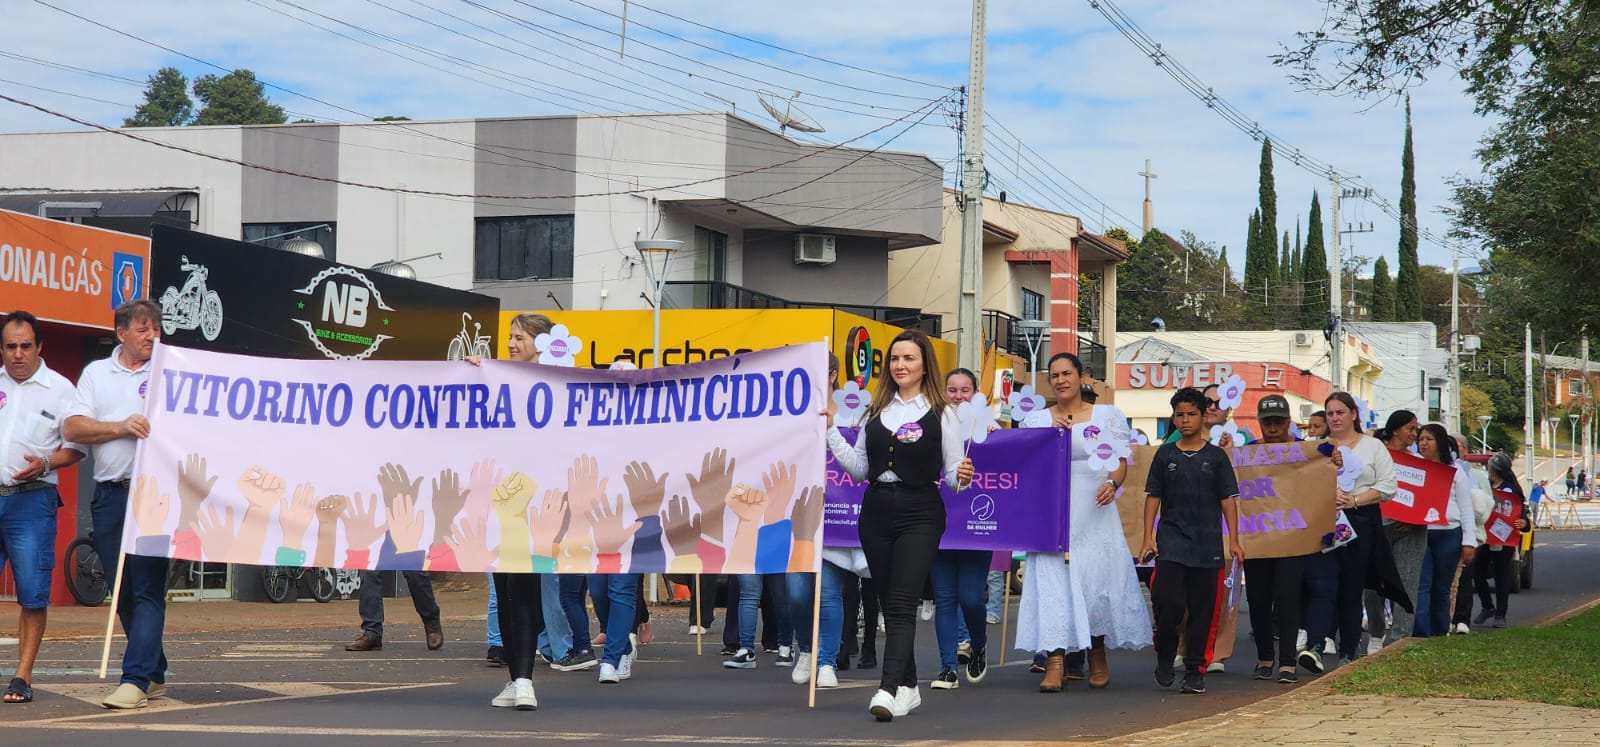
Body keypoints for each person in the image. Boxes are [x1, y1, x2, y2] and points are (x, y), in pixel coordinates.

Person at [826, 329, 974, 722]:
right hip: (876, 510)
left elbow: (954, 477)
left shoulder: (943, 412)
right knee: (890, 600)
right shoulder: (875, 411)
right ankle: (909, 686)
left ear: (925, 364)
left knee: (903, 600)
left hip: (920, 509)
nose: (900, 365)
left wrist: (964, 474)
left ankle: (889, 688)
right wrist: (830, 434)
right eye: (894, 359)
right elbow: (860, 469)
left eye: (908, 358)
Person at [1015, 353, 1150, 692]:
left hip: (1094, 510)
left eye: (1066, 374)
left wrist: (1112, 483)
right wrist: (1050, 441)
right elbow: (1024, 465)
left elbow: (1120, 462)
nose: (1060, 380)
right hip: (1051, 513)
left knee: (1094, 581)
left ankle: (1097, 653)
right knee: (1052, 583)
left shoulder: (1107, 415)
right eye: (1054, 375)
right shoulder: (1037, 420)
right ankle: (1055, 662)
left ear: (1081, 377)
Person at [63, 299, 167, 709]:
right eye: (143, 329)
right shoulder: (95, 374)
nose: (152, 337)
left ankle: (135, 679)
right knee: (120, 588)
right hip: (110, 494)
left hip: (155, 495)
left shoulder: (170, 370)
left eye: (156, 329)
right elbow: (73, 426)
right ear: (121, 333)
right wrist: (120, 426)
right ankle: (155, 670)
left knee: (147, 588)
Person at [0, 311, 86, 704]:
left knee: (33, 594)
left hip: (33, 501)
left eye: (25, 346)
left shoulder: (62, 389)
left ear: (39, 347)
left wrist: (48, 463)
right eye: (10, 346)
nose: (18, 354)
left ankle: (21, 676)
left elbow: (77, 448)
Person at [1140, 387, 1244, 695]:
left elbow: (1228, 499)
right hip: (1171, 542)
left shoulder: (1215, 457)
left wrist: (1234, 540)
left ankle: (1196, 670)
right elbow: (1153, 496)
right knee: (1167, 601)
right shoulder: (1165, 455)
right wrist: (1147, 536)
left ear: (1203, 416)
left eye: (1191, 414)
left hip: (1207, 546)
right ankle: (1165, 653)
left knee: (1203, 610)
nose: (1185, 420)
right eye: (1179, 415)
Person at [1298, 392, 1404, 673]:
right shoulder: (1316, 447)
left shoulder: (1372, 447)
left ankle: (1348, 651)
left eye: (1340, 412)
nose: (1334, 418)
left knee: (1351, 587)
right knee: (1321, 584)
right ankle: (1316, 645)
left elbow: (1388, 486)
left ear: (1353, 414)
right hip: (1324, 521)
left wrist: (1355, 500)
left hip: (1360, 520)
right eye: (1330, 413)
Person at [928, 368, 993, 689]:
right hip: (937, 527)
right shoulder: (930, 427)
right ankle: (947, 668)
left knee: (970, 598)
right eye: (951, 390)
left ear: (976, 394)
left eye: (965, 390)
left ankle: (978, 645)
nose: (957, 396)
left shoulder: (991, 430)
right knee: (944, 599)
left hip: (977, 529)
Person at [1243, 395, 1312, 684]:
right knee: (1258, 600)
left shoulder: (1305, 452)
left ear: (1289, 423)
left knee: (1288, 598)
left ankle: (1287, 661)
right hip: (1257, 537)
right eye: (1267, 422)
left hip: (1292, 537)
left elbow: (1321, 480)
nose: (1272, 428)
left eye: (1278, 422)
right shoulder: (1246, 453)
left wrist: (1332, 460)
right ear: (1259, 423)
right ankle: (1264, 657)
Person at [1412, 425, 1477, 637]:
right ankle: (1420, 634)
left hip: (1449, 532)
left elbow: (1466, 507)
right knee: (1422, 584)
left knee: (1442, 588)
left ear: (1440, 442)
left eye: (1429, 439)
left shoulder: (1456, 472)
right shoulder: (1415, 468)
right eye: (1420, 438)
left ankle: (1440, 631)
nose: (1423, 443)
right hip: (1421, 532)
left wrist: (1469, 542)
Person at [1370, 410, 1425, 647]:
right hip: (1377, 527)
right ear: (1395, 430)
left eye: (1416, 429)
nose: (1415, 434)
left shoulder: (1420, 463)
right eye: (1410, 429)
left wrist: (1415, 518)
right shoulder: (1375, 455)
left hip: (1411, 531)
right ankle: (1375, 634)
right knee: (1372, 587)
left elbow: (1428, 497)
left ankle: (1400, 640)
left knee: (1407, 584)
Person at [1472, 454, 1531, 629]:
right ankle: (1488, 606)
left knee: (1502, 576)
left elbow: (1521, 514)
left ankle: (1500, 614)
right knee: (1478, 573)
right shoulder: (1485, 487)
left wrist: (1524, 523)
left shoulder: (1511, 490)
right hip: (1485, 536)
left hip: (1503, 539)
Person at [1164, 382, 1253, 446]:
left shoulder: (1241, 437)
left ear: (1229, 410)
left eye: (1220, 403)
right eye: (1208, 402)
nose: (1212, 408)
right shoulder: (1181, 433)